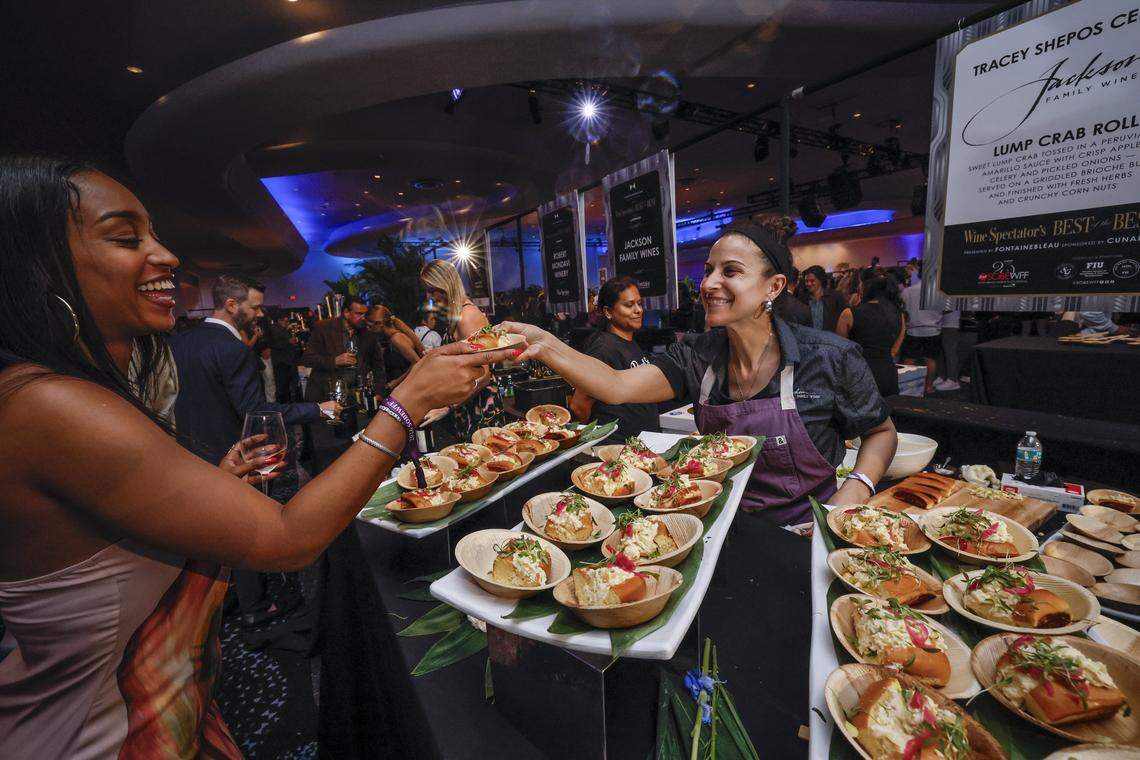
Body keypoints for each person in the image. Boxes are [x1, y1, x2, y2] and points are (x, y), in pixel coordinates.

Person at [0, 155, 521, 759]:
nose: (167, 256)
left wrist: (213, 484)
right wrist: (406, 405)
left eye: (155, 234)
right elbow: (288, 539)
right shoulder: (49, 405)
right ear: (38, 268)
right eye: (125, 238)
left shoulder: (61, 394)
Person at [504, 221, 897, 526]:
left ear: (773, 287)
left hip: (808, 528)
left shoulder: (829, 357)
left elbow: (881, 432)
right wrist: (545, 344)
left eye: (731, 272)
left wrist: (856, 489)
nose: (709, 283)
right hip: (721, 526)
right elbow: (615, 384)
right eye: (709, 270)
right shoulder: (697, 354)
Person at [569, 276, 660, 440]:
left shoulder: (630, 342)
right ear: (608, 312)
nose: (638, 310)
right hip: (616, 450)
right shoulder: (603, 349)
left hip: (642, 447)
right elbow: (579, 406)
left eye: (639, 303)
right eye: (629, 305)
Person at [420, 259, 502, 439]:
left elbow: (484, 375)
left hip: (480, 408)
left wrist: (447, 407)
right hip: (467, 405)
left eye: (432, 290)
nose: (430, 297)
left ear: (446, 284)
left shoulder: (468, 316)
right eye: (427, 291)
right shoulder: (457, 315)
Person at [300, 294, 385, 402]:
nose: (363, 318)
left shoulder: (367, 332)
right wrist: (335, 361)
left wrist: (379, 393)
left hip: (356, 397)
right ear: (346, 313)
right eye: (359, 313)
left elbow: (378, 366)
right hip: (326, 394)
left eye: (365, 313)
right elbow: (308, 359)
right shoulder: (324, 328)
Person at [847, 276, 905, 397]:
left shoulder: (850, 313)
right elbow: (895, 349)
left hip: (859, 373)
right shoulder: (897, 314)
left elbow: (840, 350)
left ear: (866, 288)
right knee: (889, 412)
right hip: (888, 372)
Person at [899, 263, 943, 395]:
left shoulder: (907, 291)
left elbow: (903, 309)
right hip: (932, 330)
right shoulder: (938, 292)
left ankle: (908, 388)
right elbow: (946, 310)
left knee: (909, 359)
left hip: (913, 330)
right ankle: (928, 387)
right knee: (930, 359)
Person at [365, 304, 423, 390]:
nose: (368, 329)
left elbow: (417, 363)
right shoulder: (390, 339)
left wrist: (395, 382)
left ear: (379, 324)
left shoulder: (396, 338)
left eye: (370, 326)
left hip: (410, 388)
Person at [798, 265, 847, 333]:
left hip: (830, 338)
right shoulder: (803, 298)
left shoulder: (835, 296)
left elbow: (843, 317)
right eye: (806, 281)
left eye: (812, 281)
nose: (809, 284)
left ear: (820, 280)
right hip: (809, 338)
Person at [933, 307, 961, 392]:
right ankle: (941, 376)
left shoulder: (952, 295)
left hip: (951, 324)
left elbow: (949, 308)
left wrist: (932, 311)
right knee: (940, 352)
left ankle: (953, 380)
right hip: (940, 324)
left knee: (950, 352)